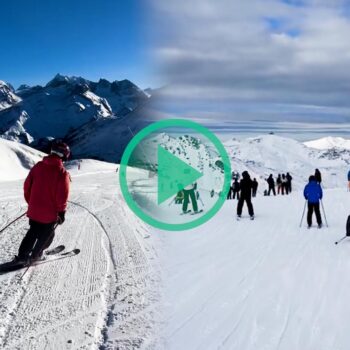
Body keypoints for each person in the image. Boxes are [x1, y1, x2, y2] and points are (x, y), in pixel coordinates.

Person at [14, 140, 71, 264]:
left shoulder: (38, 166)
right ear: (65, 155)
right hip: (49, 215)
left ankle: (22, 256)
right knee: (47, 235)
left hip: (34, 211)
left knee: (32, 232)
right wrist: (61, 212)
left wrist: (32, 203)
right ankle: (36, 255)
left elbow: (27, 186)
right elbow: (62, 196)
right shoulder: (62, 173)